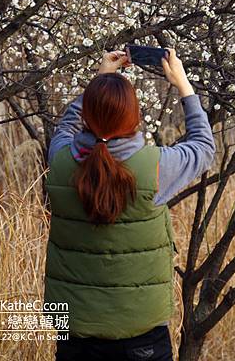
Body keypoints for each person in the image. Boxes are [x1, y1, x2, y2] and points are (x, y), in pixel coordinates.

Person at [43, 47, 216, 361]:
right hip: (141, 335)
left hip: (75, 332)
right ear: (134, 118)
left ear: (87, 116)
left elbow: (67, 127)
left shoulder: (61, 161)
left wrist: (101, 80)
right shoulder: (155, 168)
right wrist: (183, 85)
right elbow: (203, 147)